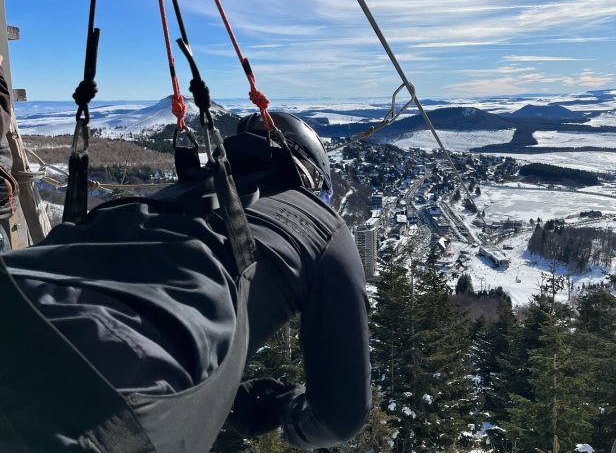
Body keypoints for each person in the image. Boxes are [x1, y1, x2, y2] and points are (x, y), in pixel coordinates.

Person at [0, 70, 372, 452]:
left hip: (19, 293)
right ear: (314, 179)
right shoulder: (322, 224)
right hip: (113, 392)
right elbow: (340, 417)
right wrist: (284, 410)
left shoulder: (176, 193)